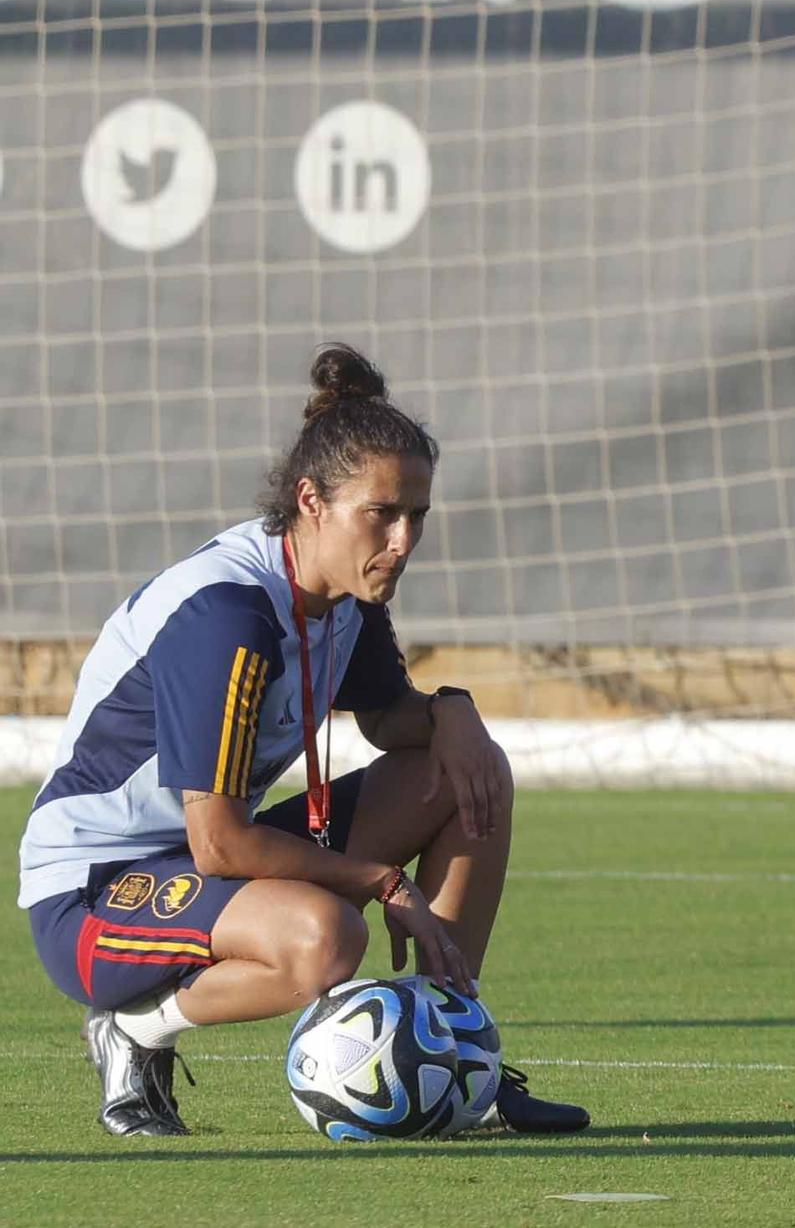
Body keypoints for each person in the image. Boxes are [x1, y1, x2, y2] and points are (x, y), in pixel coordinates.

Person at [18, 345, 590, 1139]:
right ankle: (132, 1029)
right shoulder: (228, 617)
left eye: (416, 516)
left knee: (466, 772)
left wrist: (455, 710)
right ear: (311, 501)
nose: (403, 540)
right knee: (326, 941)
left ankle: (458, 1056)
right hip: (92, 897)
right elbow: (218, 844)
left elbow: (394, 720)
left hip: (199, 858)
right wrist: (384, 883)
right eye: (381, 514)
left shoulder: (347, 591)